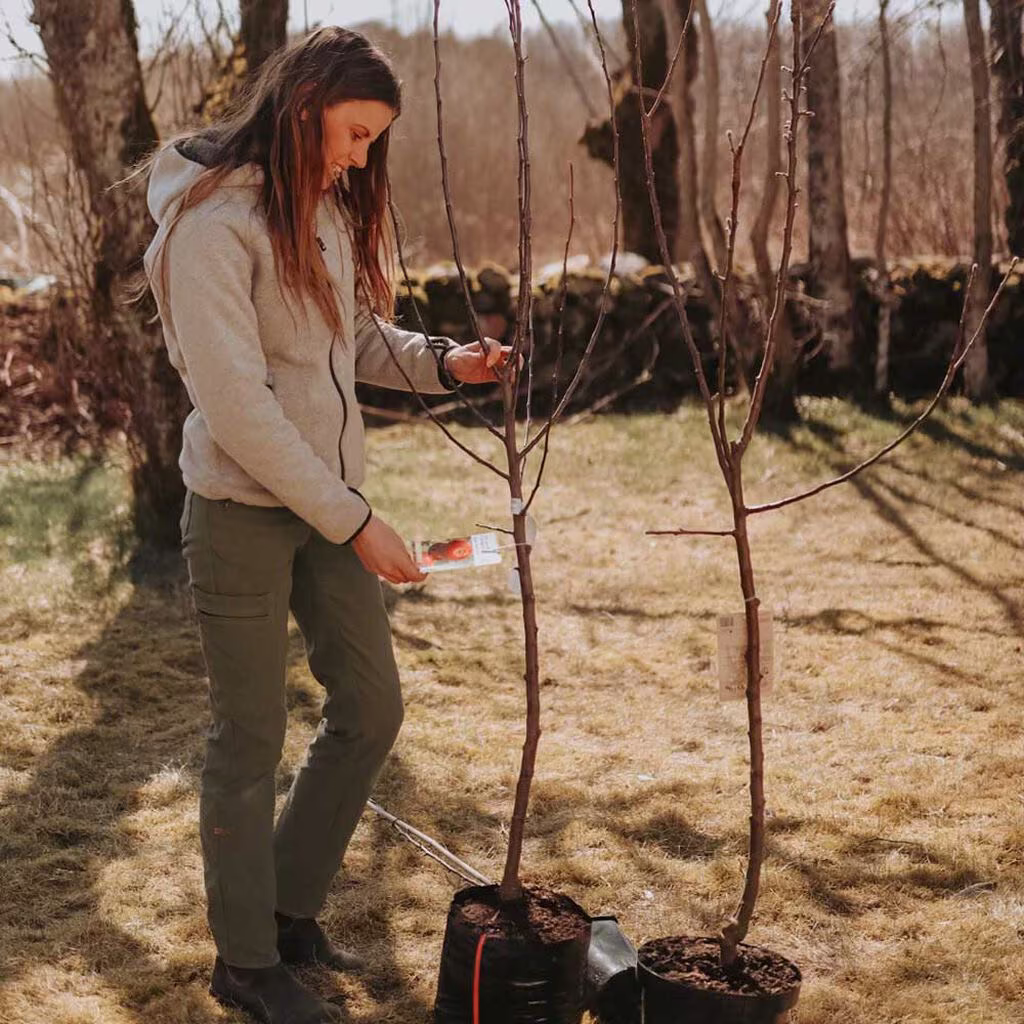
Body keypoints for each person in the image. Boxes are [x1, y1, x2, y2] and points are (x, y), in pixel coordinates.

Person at [141, 26, 511, 1024]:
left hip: (328, 510)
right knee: (249, 731)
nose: (357, 160)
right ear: (304, 106)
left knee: (370, 707)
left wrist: (445, 362)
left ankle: (287, 909)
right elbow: (242, 410)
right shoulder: (211, 230)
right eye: (353, 135)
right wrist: (357, 521)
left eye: (370, 143)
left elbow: (345, 337)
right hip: (242, 512)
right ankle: (246, 964)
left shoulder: (321, 214)